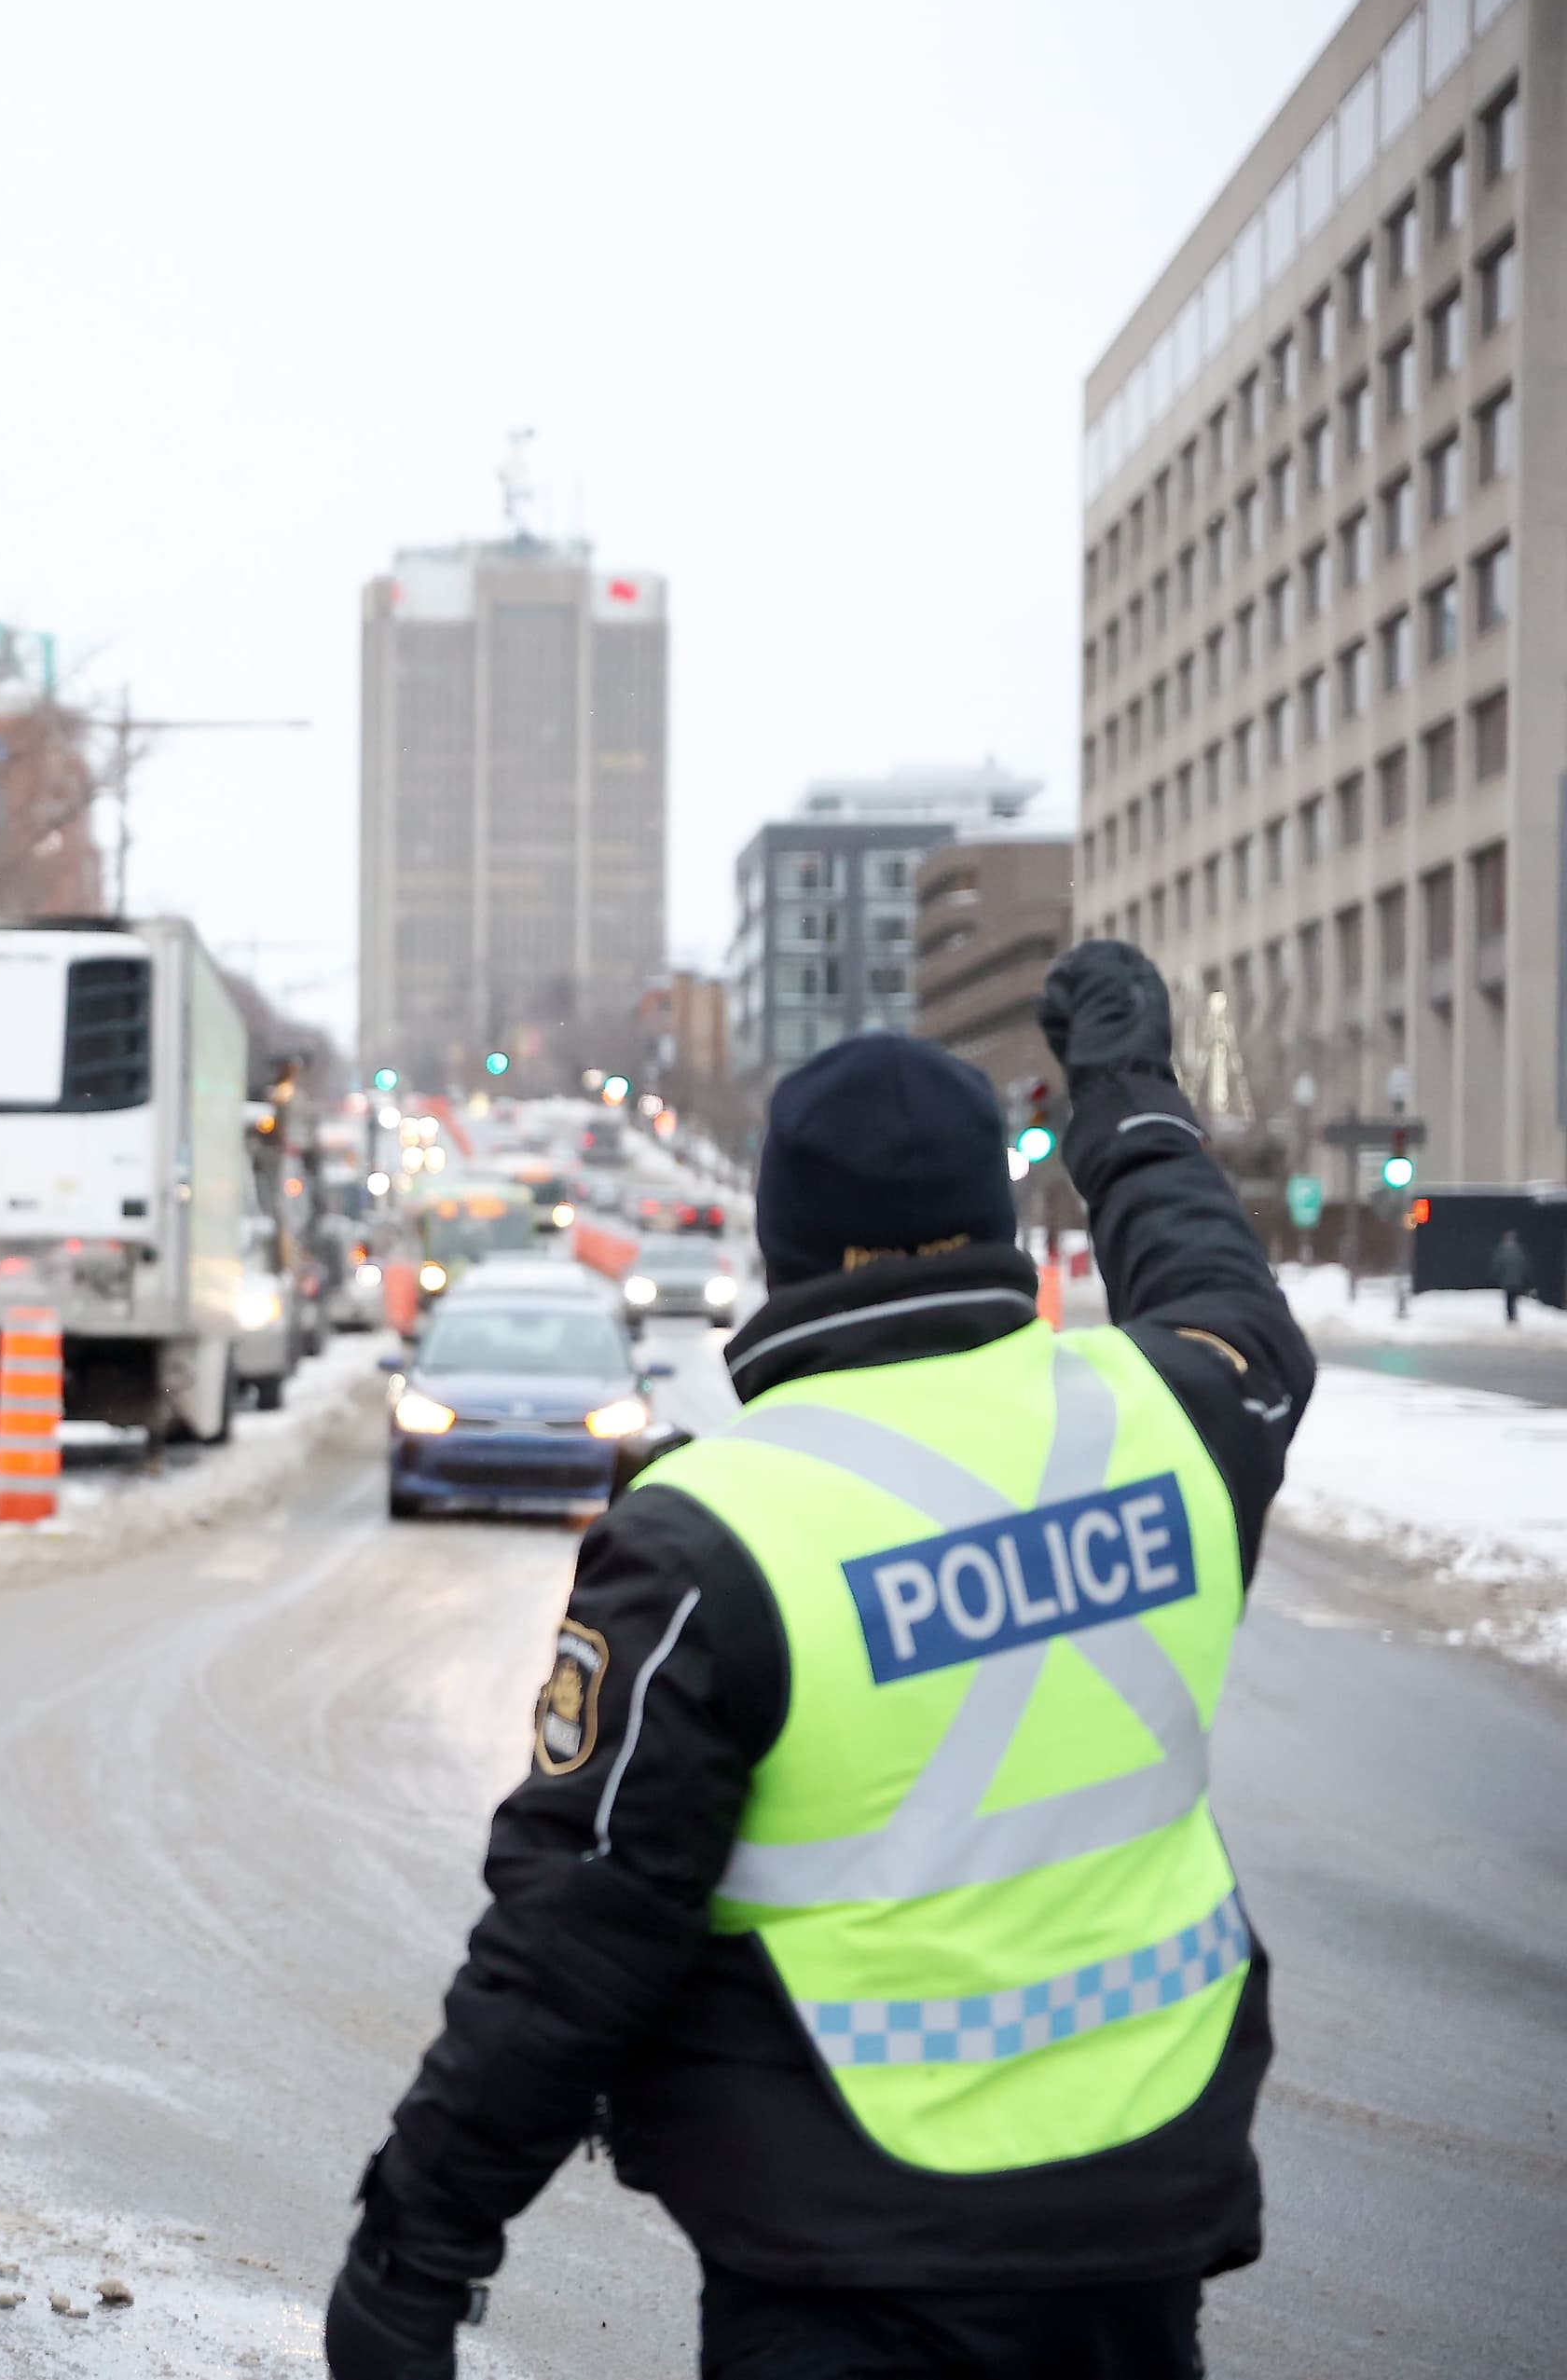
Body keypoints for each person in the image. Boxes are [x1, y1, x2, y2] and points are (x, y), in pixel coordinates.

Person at [323, 942, 1315, 2380]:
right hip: (1140, 2222)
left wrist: (418, 2245)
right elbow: (1229, 1296)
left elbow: (573, 1948)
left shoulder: (712, 1534)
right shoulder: (1174, 1421)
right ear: (992, 1223)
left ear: (782, 1245)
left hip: (850, 2261)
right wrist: (1127, 1100)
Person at [1490, 1227, 1531, 1325]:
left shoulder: (1502, 1251)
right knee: (1514, 1297)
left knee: (1509, 1298)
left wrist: (1496, 1276)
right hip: (1517, 1280)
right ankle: (1513, 1315)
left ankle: (1510, 1316)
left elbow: (1497, 1264)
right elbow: (1524, 1265)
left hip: (1507, 1280)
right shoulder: (1519, 1251)